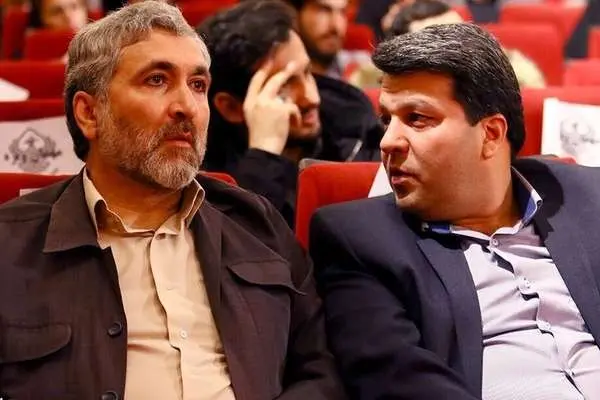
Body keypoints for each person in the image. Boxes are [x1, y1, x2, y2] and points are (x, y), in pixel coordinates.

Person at [0, 2, 345, 399]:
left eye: (198, 85)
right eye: (157, 80)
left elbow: (321, 370)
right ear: (89, 113)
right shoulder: (11, 245)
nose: (187, 107)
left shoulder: (257, 224)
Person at [311, 23, 600, 399]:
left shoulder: (587, 195)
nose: (388, 141)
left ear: (491, 134)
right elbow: (400, 380)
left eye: (417, 118)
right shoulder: (358, 240)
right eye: (386, 120)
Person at [199, 0, 382, 226]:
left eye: (307, 72)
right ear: (231, 107)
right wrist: (264, 154)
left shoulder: (356, 130)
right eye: (284, 85)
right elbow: (247, 242)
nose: (312, 98)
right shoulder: (205, 180)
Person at [348, 0, 546, 90]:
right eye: (436, 45)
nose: (455, 53)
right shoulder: (369, 77)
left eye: (460, 38)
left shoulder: (509, 68)